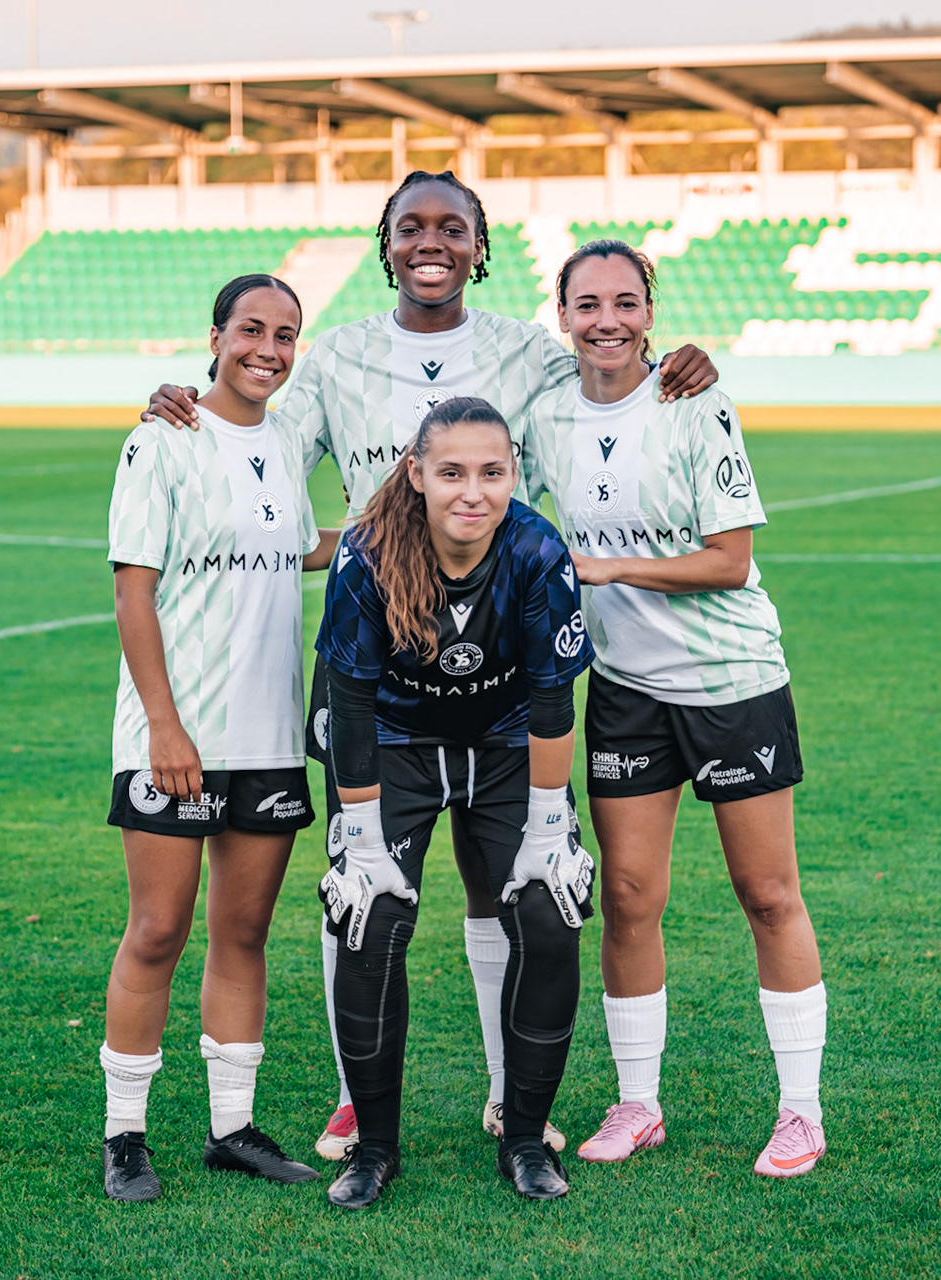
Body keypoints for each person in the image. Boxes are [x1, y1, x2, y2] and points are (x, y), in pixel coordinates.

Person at [142, 172, 719, 1161]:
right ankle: (355, 1097)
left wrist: (675, 363)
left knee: (509, 887)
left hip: (499, 649)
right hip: (374, 655)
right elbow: (263, 453)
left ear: (481, 244)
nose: (432, 242)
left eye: (453, 226)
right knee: (360, 879)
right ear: (385, 241)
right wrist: (189, 403)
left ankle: (508, 1092)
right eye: (412, 226)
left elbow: (603, 374)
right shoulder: (338, 357)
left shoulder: (525, 351)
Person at [524, 241, 831, 1178]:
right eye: (588, 304)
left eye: (625, 302)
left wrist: (607, 567)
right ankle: (638, 1102)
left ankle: (801, 1112)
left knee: (768, 893)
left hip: (731, 680)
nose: (607, 319)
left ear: (649, 313)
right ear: (564, 314)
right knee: (626, 897)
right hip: (624, 690)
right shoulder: (543, 414)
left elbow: (729, 559)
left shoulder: (696, 401)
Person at [314, 396, 594, 1208]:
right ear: (416, 475)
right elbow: (352, 703)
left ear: (514, 474)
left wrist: (550, 830)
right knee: (369, 916)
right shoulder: (366, 554)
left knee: (549, 909)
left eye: (492, 472)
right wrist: (361, 841)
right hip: (394, 741)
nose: (473, 492)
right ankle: (372, 1149)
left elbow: (551, 700)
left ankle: (524, 1138)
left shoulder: (538, 550)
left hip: (508, 740)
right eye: (451, 473)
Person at [98, 274, 338, 1201]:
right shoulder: (162, 437)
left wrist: (395, 522)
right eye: (251, 330)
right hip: (177, 732)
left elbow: (294, 545)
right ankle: (125, 1137)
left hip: (267, 735)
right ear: (216, 335)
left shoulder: (284, 440)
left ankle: (231, 1128)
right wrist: (163, 723)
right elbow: (133, 589)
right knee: (158, 930)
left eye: (285, 335)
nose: (267, 350)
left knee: (243, 931)